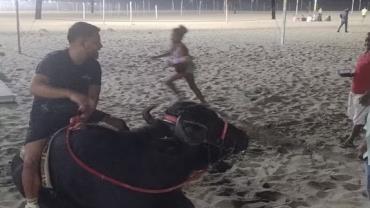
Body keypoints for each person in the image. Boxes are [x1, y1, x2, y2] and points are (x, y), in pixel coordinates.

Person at [22, 22, 128, 208]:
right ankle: (32, 203)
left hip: (77, 112)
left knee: (118, 126)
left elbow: (92, 99)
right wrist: (70, 94)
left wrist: (84, 117)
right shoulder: (53, 60)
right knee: (31, 159)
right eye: (96, 42)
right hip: (46, 113)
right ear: (81, 42)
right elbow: (35, 87)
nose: (100, 46)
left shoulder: (94, 66)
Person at [151, 25, 206, 103]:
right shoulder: (175, 44)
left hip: (186, 69)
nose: (171, 36)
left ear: (179, 37)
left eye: (173, 35)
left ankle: (180, 96)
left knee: (169, 82)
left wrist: (173, 62)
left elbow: (186, 59)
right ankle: (203, 101)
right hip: (184, 68)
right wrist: (157, 56)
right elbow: (170, 53)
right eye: (172, 35)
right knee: (193, 86)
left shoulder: (182, 46)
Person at [341, 33, 370, 148]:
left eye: (369, 42)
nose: (367, 44)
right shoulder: (365, 54)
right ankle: (357, 135)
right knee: (354, 115)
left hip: (364, 92)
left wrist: (368, 94)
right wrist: (352, 73)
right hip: (355, 89)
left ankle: (350, 140)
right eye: (367, 42)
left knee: (359, 118)